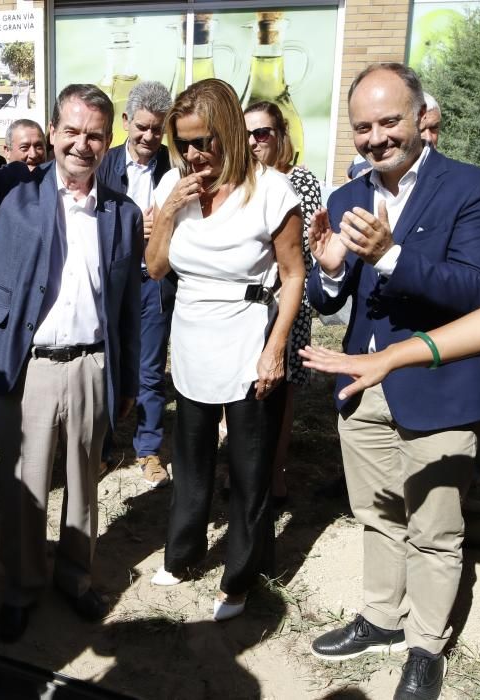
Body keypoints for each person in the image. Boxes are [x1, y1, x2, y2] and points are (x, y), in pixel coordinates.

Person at [0, 20, 142, 643]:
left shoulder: (123, 214)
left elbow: (125, 305)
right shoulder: (15, 190)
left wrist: (127, 377)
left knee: (85, 488)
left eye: (96, 135)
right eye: (71, 131)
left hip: (94, 365)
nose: (82, 145)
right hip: (32, 366)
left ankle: (75, 576)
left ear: (108, 140)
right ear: (52, 132)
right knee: (24, 489)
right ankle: (21, 586)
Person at [304, 63, 480, 700]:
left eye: (389, 121)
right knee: (378, 513)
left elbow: (475, 290)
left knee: (436, 529)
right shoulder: (345, 197)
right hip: (364, 384)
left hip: (439, 385)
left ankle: (425, 644)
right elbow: (332, 299)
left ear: (421, 118)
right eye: (362, 127)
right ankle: (379, 616)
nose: (375, 138)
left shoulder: (472, 188)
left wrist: (390, 253)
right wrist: (331, 271)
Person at [145, 78, 305, 621]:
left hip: (246, 335)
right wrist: (167, 212)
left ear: (232, 133)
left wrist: (275, 348)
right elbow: (155, 268)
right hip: (191, 336)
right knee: (189, 460)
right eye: (184, 143)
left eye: (204, 142)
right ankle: (183, 554)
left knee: (248, 466)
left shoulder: (272, 191)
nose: (194, 155)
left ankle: (240, 576)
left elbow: (293, 275)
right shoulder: (176, 184)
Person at [244, 100, 323, 505]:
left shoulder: (301, 181)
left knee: (282, 389)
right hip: (245, 303)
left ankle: (274, 471)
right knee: (243, 387)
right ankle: (243, 472)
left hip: (288, 298)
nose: (254, 141)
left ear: (280, 136)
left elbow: (303, 252)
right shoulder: (238, 180)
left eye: (263, 133)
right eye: (247, 133)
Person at [95, 81, 174, 488]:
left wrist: (162, 229)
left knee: (150, 368)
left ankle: (148, 449)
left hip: (154, 282)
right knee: (108, 362)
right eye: (141, 127)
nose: (147, 137)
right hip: (112, 280)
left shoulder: (175, 169)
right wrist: (130, 229)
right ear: (126, 121)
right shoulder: (102, 164)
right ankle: (102, 450)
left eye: (156, 130)